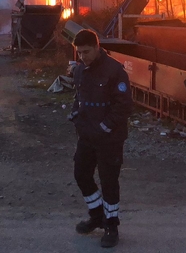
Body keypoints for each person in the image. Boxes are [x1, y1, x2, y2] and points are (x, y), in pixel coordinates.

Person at [68, 29, 133, 248]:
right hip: (86, 135)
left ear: (97, 48)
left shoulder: (115, 71)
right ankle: (96, 216)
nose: (82, 57)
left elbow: (123, 106)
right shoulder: (79, 70)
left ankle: (111, 225)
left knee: (109, 182)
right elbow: (79, 97)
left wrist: (105, 126)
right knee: (81, 174)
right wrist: (75, 113)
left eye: (86, 52)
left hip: (110, 139)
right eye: (79, 53)